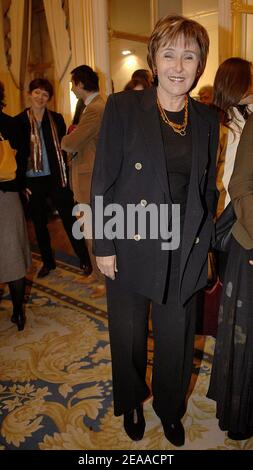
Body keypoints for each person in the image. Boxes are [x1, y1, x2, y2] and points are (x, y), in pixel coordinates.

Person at [91, 14, 219, 446]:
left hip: (183, 244)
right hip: (129, 237)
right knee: (128, 332)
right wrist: (103, 244)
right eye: (169, 55)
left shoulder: (206, 119)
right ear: (154, 59)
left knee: (176, 335)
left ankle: (170, 407)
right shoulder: (123, 108)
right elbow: (103, 178)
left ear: (200, 64)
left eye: (189, 56)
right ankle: (130, 401)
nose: (178, 66)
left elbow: (206, 189)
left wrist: (206, 247)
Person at [207, 65, 253, 441]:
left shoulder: (234, 120)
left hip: (235, 225)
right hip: (241, 228)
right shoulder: (241, 120)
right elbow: (236, 183)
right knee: (243, 330)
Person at [14, 78, 92, 278]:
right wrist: (22, 183)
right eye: (37, 92)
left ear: (49, 98)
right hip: (33, 180)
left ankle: (84, 259)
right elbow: (18, 155)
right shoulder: (20, 121)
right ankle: (48, 262)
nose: (40, 97)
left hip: (57, 177)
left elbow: (63, 149)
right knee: (39, 223)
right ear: (29, 94)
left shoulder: (56, 119)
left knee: (69, 219)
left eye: (45, 94)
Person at [61, 66, 105, 297]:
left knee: (95, 233)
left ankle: (104, 281)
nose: (71, 88)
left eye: (72, 83)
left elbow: (71, 143)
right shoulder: (93, 107)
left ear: (79, 83)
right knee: (89, 231)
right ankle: (97, 275)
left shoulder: (95, 109)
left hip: (90, 182)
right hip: (87, 180)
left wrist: (65, 137)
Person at [0, 81, 31, 331]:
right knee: (13, 256)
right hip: (8, 196)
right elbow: (22, 164)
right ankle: (18, 312)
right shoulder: (13, 124)